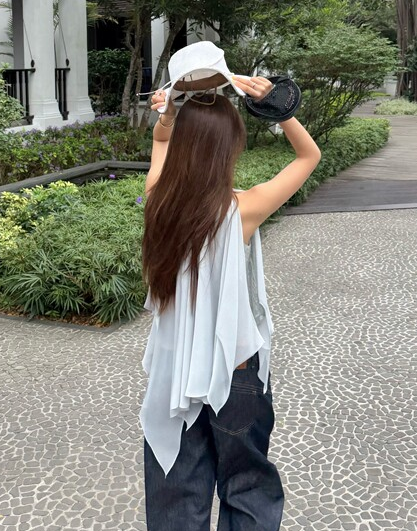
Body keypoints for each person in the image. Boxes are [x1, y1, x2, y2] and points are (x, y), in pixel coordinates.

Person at [140, 71, 321, 531]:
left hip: (174, 372)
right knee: (246, 486)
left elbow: (160, 145)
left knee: (175, 489)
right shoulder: (244, 209)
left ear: (184, 147)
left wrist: (168, 117)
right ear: (230, 150)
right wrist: (280, 109)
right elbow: (309, 156)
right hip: (235, 369)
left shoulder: (158, 201)